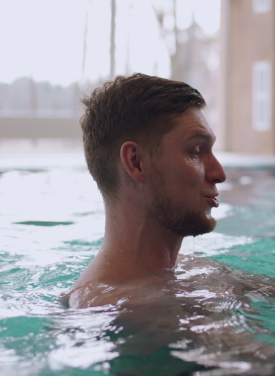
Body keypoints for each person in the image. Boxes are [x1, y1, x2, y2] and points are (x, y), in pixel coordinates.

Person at [63, 73, 227, 309]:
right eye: (196, 151)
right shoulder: (117, 308)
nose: (219, 173)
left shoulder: (191, 269)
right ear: (136, 162)